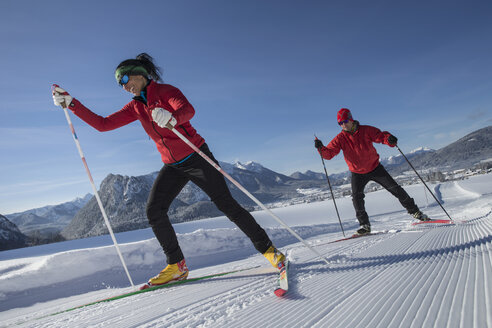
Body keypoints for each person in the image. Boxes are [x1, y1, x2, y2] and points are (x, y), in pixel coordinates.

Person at [52, 53, 285, 286]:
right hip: (172, 165)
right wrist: (72, 103)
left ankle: (270, 251)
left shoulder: (166, 92)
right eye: (119, 84)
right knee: (154, 210)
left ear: (139, 74)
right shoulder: (135, 107)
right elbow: (103, 125)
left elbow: (188, 110)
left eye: (124, 80)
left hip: (196, 156)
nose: (124, 87)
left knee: (227, 205)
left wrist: (172, 118)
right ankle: (176, 266)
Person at [314, 108, 429, 235]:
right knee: (357, 198)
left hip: (375, 167)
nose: (343, 124)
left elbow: (381, 136)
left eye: (345, 121)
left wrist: (389, 139)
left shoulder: (366, 130)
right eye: (340, 123)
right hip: (357, 172)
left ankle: (416, 213)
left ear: (351, 119)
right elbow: (329, 154)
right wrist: (321, 148)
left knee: (396, 189)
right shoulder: (340, 138)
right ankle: (365, 225)